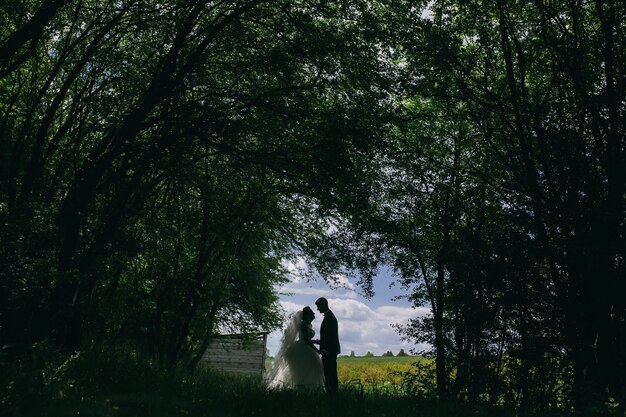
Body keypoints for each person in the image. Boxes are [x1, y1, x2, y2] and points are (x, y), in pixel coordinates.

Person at [265, 306, 325, 391]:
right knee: (305, 371)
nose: (314, 313)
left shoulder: (309, 324)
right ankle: (303, 389)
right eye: (312, 312)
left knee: (311, 370)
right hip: (302, 349)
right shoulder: (303, 324)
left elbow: (308, 339)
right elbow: (306, 341)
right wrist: (318, 350)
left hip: (306, 347)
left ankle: (310, 389)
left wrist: (316, 342)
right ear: (308, 314)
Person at [313, 297, 340, 394]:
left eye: (318, 306)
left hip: (329, 351)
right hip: (328, 350)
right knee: (329, 373)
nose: (317, 309)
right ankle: (331, 392)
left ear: (324, 304)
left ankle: (333, 393)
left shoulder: (330, 318)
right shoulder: (329, 317)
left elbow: (331, 336)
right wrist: (319, 342)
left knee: (330, 373)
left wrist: (326, 349)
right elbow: (326, 337)